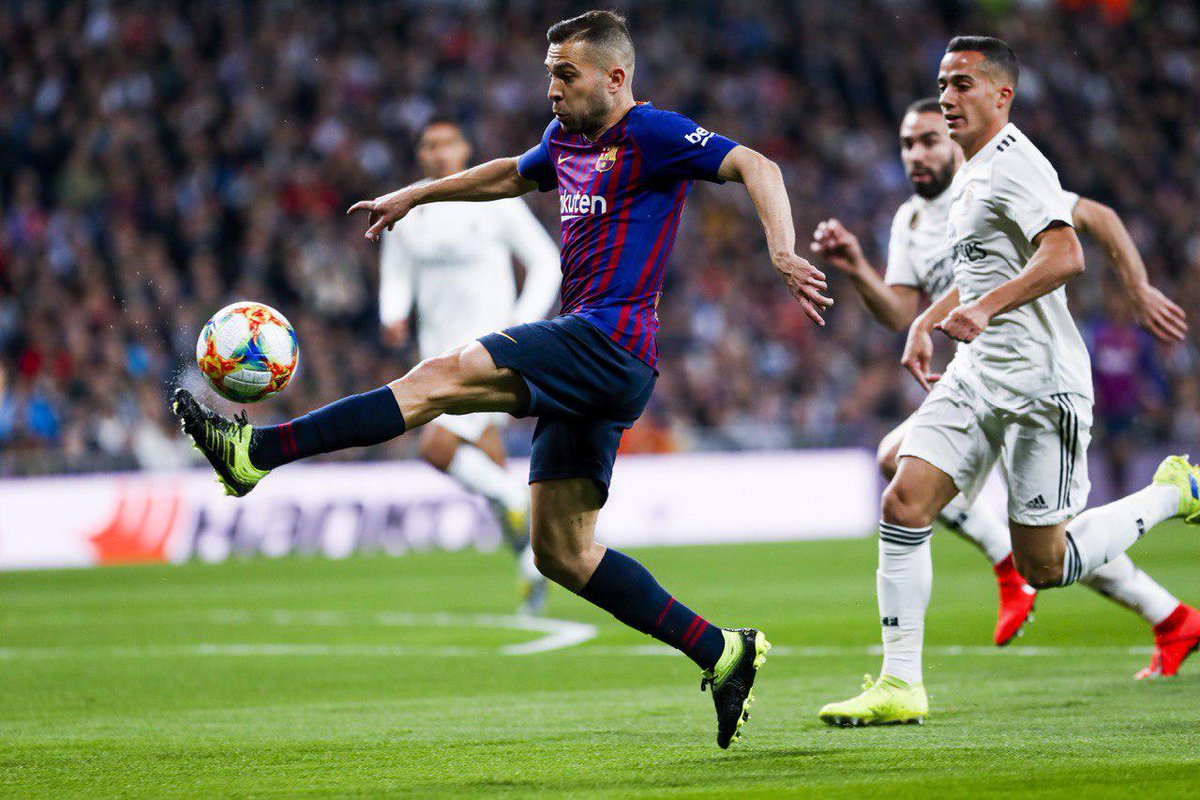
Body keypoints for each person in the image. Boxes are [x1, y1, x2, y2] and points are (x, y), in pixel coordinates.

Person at [171, 9, 832, 748]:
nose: (552, 88)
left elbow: (758, 165)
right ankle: (722, 650)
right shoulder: (565, 139)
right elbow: (511, 174)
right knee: (563, 553)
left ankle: (256, 452)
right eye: (550, 74)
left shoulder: (652, 132)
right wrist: (419, 193)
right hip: (602, 363)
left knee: (439, 377)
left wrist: (781, 250)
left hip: (608, 338)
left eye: (566, 74)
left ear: (615, 78)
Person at [818, 36, 1200, 727]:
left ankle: (1173, 492)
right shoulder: (967, 176)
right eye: (942, 83)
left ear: (1003, 95)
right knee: (904, 498)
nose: (947, 96)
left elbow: (1068, 253)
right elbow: (981, 272)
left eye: (962, 84)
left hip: (1039, 384)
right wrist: (927, 320)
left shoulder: (1017, 164)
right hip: (977, 374)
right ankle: (901, 684)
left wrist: (987, 308)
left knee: (1045, 567)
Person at [379, 117, 561, 615]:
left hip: (489, 351)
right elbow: (396, 273)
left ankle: (522, 509)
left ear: (464, 148)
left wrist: (522, 324)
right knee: (488, 463)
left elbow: (546, 261)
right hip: (435, 352)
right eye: (428, 144)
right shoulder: (410, 207)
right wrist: (392, 313)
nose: (437, 152)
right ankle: (534, 563)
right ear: (420, 154)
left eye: (446, 143)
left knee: (435, 447)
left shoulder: (495, 199)